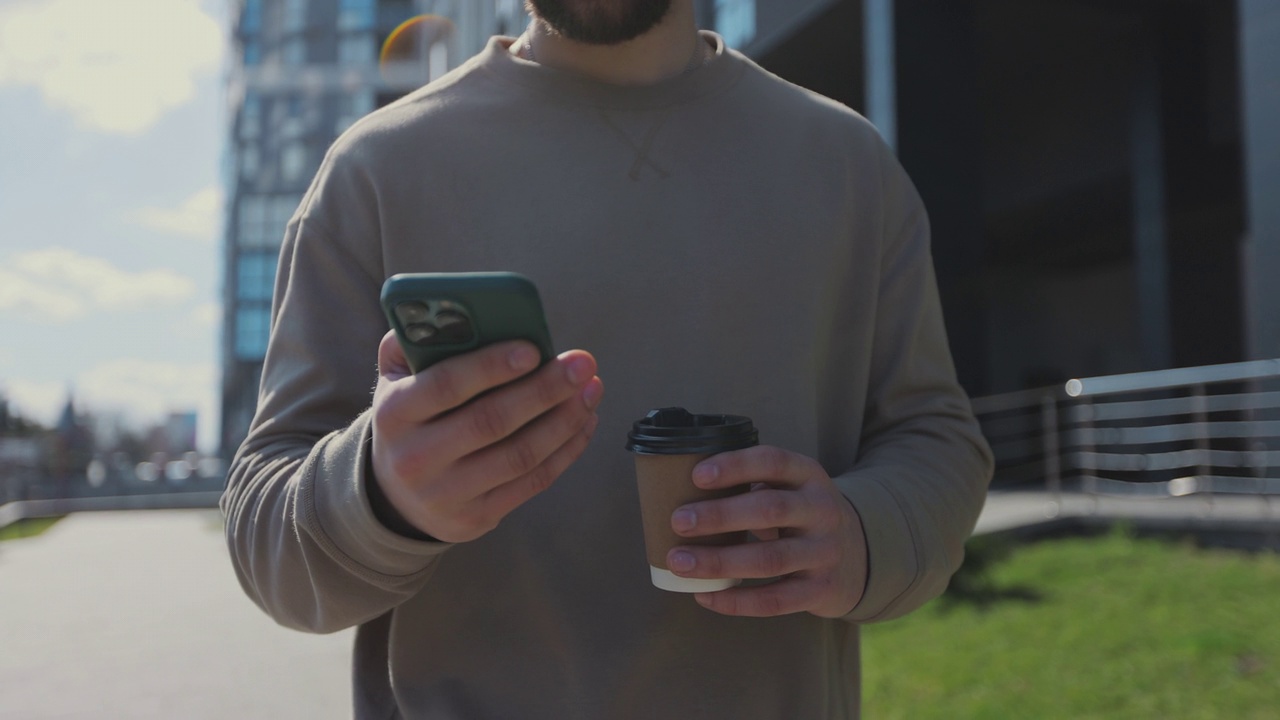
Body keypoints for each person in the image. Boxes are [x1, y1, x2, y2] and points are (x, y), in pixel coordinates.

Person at [220, 0, 994, 717]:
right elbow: (267, 539)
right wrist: (380, 494)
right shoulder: (375, 169)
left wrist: (862, 533)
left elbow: (937, 438)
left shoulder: (847, 162)